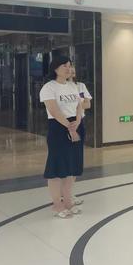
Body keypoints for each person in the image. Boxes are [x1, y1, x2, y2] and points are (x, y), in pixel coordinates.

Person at [39, 56, 84, 218]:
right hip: (58, 127)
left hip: (75, 126)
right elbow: (54, 110)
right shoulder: (49, 87)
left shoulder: (73, 86)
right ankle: (57, 205)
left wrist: (77, 122)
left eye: (70, 65)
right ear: (55, 68)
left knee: (72, 167)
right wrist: (69, 126)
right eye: (64, 65)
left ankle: (68, 201)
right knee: (57, 167)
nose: (68, 68)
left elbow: (79, 106)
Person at [67, 64, 92, 207]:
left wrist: (76, 106)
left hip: (79, 122)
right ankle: (64, 193)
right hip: (66, 122)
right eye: (68, 69)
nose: (71, 72)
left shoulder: (81, 86)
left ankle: (70, 193)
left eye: (73, 70)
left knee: (76, 158)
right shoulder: (58, 88)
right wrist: (77, 105)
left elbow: (87, 104)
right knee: (66, 158)